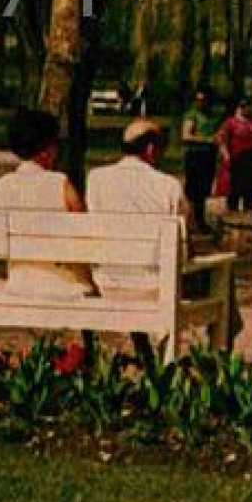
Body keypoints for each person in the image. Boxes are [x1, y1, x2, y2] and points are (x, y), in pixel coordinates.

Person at [86, 119, 192, 363]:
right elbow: (184, 248)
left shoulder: (96, 179)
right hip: (155, 288)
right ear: (151, 149)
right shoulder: (168, 186)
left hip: (108, 283)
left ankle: (143, 349)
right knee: (219, 276)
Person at [0, 108, 93, 298]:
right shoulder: (61, 185)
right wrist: (91, 282)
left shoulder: (3, 185)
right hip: (58, 284)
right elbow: (82, 244)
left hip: (18, 282)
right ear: (46, 149)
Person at [218, 96, 252, 214]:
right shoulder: (230, 122)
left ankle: (249, 213)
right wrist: (226, 156)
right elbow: (222, 140)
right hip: (237, 159)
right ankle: (232, 214)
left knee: (250, 190)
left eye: (247, 106)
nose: (245, 109)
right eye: (242, 106)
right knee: (235, 189)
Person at [180, 86, 221, 234]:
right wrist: (207, 140)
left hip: (208, 156)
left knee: (203, 190)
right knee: (193, 190)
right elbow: (186, 135)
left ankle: (200, 220)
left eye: (203, 100)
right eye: (198, 100)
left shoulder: (211, 116)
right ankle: (191, 222)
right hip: (195, 155)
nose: (201, 102)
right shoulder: (192, 115)